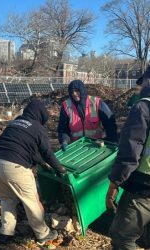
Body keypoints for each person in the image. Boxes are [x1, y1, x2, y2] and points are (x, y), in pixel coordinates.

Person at [0, 98, 66, 244]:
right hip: (14, 167)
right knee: (31, 202)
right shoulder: (37, 127)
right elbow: (47, 152)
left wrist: (42, 164)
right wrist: (59, 168)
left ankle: (6, 233)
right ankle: (43, 233)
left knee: (7, 199)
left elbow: (29, 150)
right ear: (40, 115)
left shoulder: (15, 122)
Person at [106, 66, 150, 250]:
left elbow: (130, 151)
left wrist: (115, 182)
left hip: (143, 187)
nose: (139, 87)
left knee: (122, 238)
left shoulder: (144, 107)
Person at [57, 79, 118, 151]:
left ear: (82, 90)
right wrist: (64, 141)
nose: (74, 94)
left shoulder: (96, 103)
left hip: (96, 146)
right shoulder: (66, 106)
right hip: (76, 148)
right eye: (72, 92)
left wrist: (110, 140)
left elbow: (110, 124)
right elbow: (62, 129)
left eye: (77, 91)